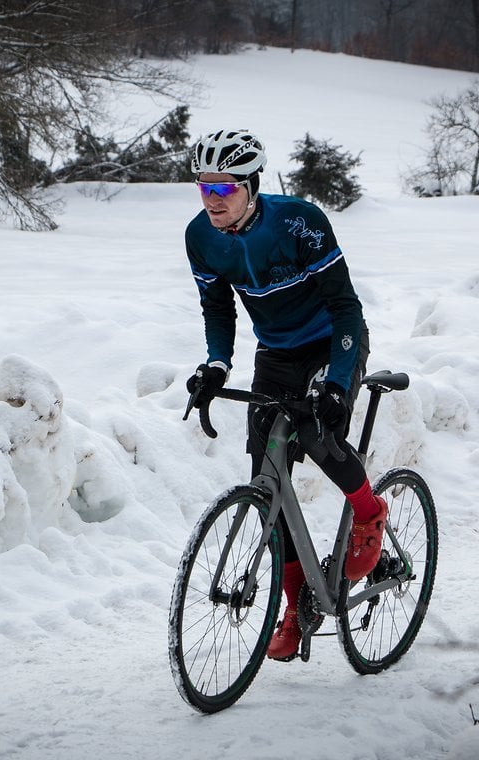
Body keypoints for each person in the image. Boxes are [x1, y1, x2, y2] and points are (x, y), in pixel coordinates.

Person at [183, 129, 388, 662]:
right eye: (203, 186)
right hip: (275, 353)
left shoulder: (301, 222)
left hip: (332, 341)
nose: (212, 199)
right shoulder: (200, 237)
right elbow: (218, 308)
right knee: (265, 474)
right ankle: (297, 607)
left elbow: (346, 308)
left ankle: (368, 513)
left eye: (224, 187)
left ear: (252, 186)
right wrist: (216, 364)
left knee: (318, 434)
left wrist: (340, 384)